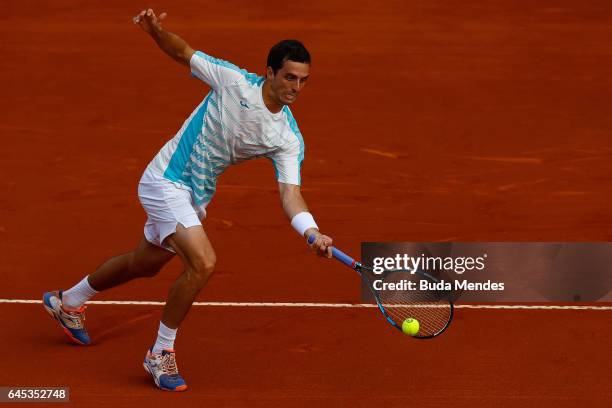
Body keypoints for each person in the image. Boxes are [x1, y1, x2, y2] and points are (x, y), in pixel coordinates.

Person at [43, 8, 333, 392]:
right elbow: (185, 53)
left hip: (195, 195)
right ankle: (160, 353)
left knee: (143, 264)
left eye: (304, 81)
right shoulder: (232, 82)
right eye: (290, 77)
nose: (296, 87)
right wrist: (154, 31)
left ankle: (68, 302)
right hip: (165, 180)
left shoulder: (287, 138)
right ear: (270, 72)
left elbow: (290, 193)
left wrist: (310, 231)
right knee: (203, 263)